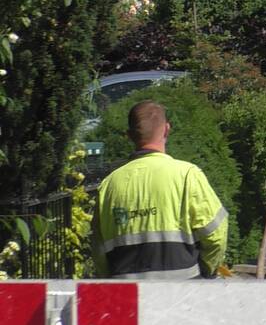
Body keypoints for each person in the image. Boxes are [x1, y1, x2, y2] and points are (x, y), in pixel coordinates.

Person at [91, 101, 228, 279]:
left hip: (127, 296)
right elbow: (216, 234)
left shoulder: (108, 186)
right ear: (166, 129)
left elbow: (98, 249)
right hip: (183, 292)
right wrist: (207, 270)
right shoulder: (187, 175)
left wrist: (110, 281)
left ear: (129, 136)